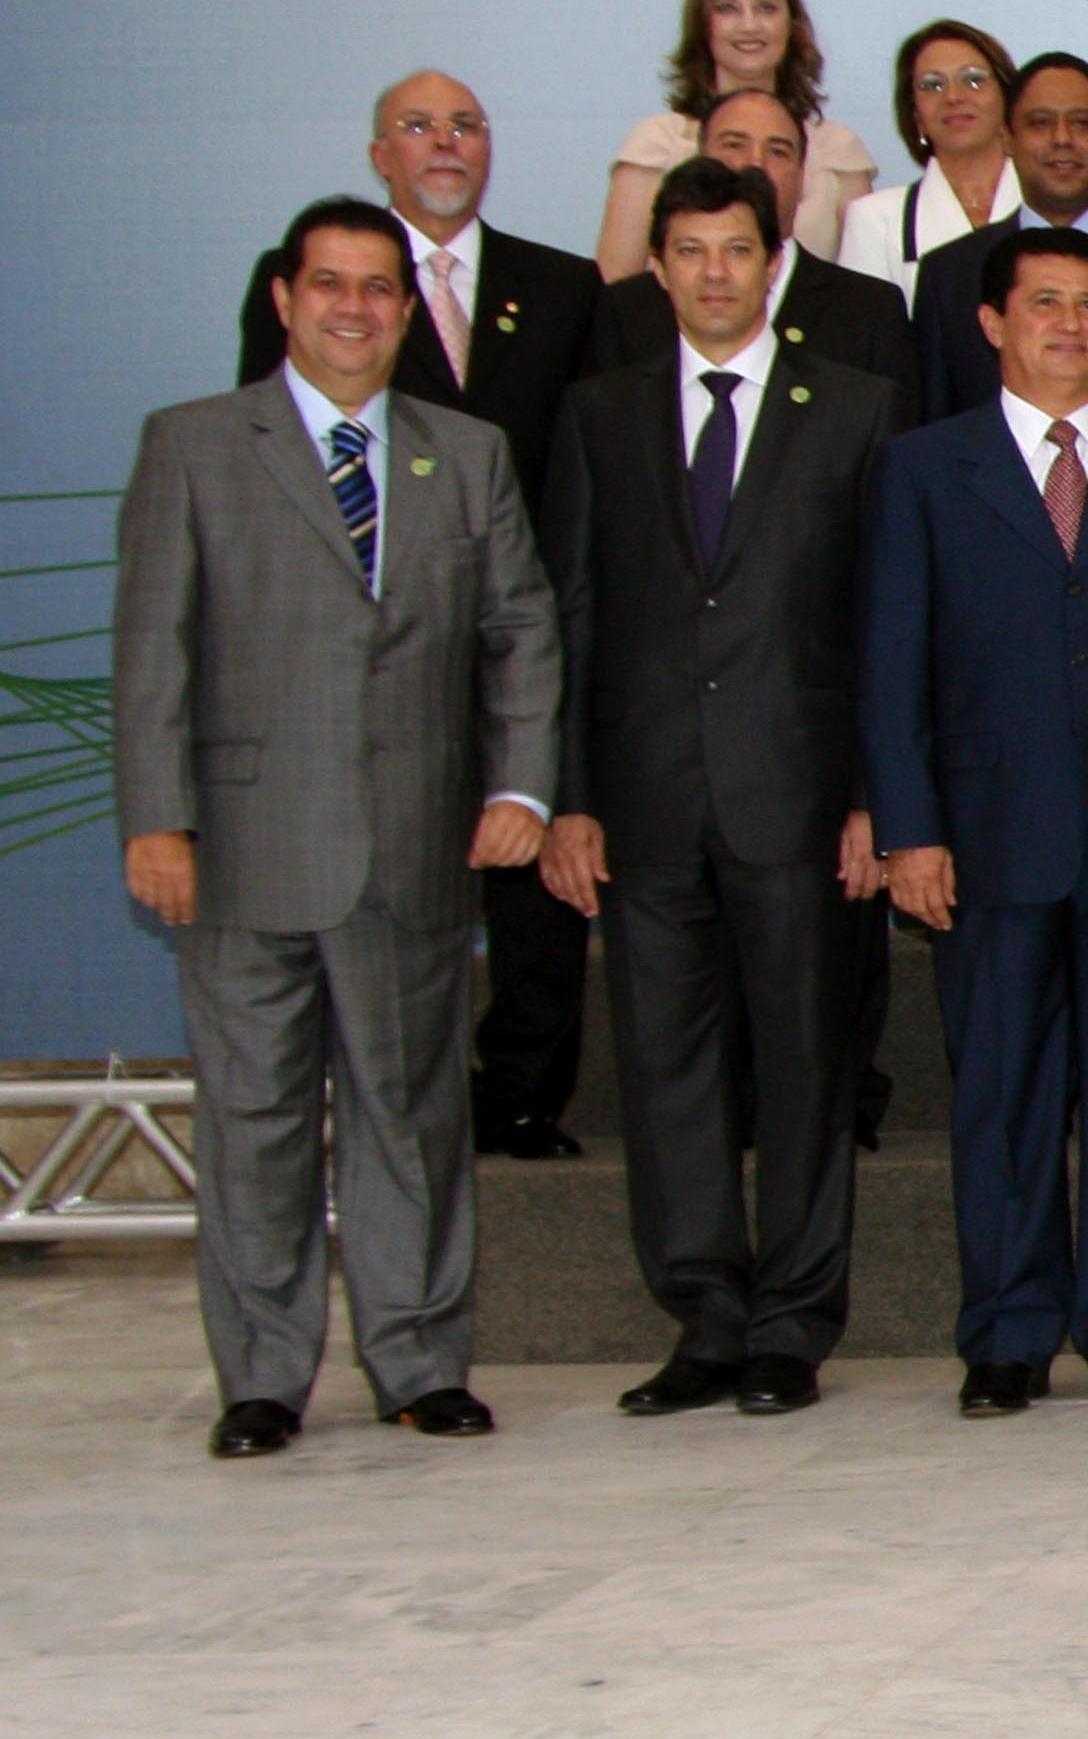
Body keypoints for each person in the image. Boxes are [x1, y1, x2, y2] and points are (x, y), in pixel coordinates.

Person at [122, 185, 556, 1457]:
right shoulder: (195, 442)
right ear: (284, 300)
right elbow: (154, 646)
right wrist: (157, 818)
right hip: (243, 850)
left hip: (416, 845)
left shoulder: (464, 450)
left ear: (406, 306)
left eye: (380, 287)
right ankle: (262, 1375)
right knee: (253, 1118)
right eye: (330, 285)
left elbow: (521, 630)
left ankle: (420, 1361)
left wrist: (520, 788)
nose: (356, 309)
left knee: (410, 1117)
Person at [536, 154, 906, 1415]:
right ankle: (703, 1315)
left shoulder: (852, 407)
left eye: (735, 251)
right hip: (644, 806)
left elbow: (881, 620)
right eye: (688, 251)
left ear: (772, 263)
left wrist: (876, 795)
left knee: (805, 1063)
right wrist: (569, 795)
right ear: (658, 267)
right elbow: (570, 618)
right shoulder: (599, 412)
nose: (712, 272)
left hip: (800, 801)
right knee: (668, 1067)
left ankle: (793, 1323)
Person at [860, 228, 1088, 1414]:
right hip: (987, 834)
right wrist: (908, 827)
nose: (1070, 324)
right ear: (991, 322)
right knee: (1004, 1090)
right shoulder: (925, 468)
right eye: (1045, 304)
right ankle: (1010, 1329)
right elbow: (889, 660)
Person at [229, 72, 606, 1162]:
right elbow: (268, 463)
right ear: (377, 153)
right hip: (362, 644)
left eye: (467, 125)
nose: (445, 142)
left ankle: (525, 1093)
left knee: (534, 878)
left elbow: (584, 469)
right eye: (418, 126)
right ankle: (399, 1091)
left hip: (514, 630)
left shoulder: (564, 284)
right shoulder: (307, 281)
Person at [592, 91, 919, 411]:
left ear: (802, 176)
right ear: (700, 158)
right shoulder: (628, 312)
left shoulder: (867, 311)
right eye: (734, 145)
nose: (755, 164)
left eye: (778, 151)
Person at [915, 52, 1088, 424]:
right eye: (1040, 123)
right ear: (1007, 139)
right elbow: (932, 429)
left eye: (1081, 123)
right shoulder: (950, 273)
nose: (1062, 139)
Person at [598, 0, 876, 279]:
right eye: (727, 9)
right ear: (703, 25)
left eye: (766, 8)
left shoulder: (839, 152)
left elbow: (860, 300)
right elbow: (613, 292)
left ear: (791, 25)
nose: (749, 25)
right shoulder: (658, 144)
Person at [828, 18, 1016, 296]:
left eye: (973, 80)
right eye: (932, 85)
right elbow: (864, 336)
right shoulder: (875, 220)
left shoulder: (1051, 206)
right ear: (915, 115)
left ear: (1008, 99)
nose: (954, 96)